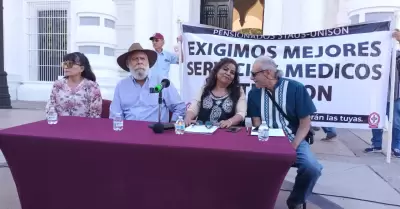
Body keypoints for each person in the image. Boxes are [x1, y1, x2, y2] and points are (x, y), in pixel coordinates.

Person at [247, 56, 322, 209]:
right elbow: (256, 123)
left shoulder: (296, 88)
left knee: (312, 168)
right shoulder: (253, 93)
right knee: (245, 161)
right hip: (265, 140)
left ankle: (295, 201)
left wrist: (291, 147)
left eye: (254, 74)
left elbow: (304, 124)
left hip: (293, 140)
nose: (251, 78)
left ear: (267, 73)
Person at [109, 43, 186, 122]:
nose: (139, 62)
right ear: (128, 64)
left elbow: (180, 108)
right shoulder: (121, 85)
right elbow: (115, 114)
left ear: (148, 62)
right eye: (135, 59)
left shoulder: (162, 82)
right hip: (129, 131)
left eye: (142, 58)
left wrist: (172, 125)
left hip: (155, 131)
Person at [364, 30, 400, 158]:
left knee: (396, 123)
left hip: (395, 95)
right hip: (378, 95)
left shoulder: (397, 55)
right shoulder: (375, 56)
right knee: (376, 120)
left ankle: (396, 147)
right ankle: (376, 145)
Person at [184, 58, 246, 128]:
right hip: (202, 131)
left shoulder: (238, 91)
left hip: (225, 132)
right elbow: (194, 107)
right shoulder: (205, 89)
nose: (228, 73)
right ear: (216, 71)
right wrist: (188, 117)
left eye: (232, 72)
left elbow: (241, 113)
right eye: (225, 69)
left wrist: (230, 121)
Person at [45, 52, 102, 118]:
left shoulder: (92, 86)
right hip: (60, 125)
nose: (66, 67)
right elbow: (51, 106)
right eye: (65, 64)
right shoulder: (58, 85)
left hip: (84, 126)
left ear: (82, 69)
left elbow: (95, 114)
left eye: (70, 64)